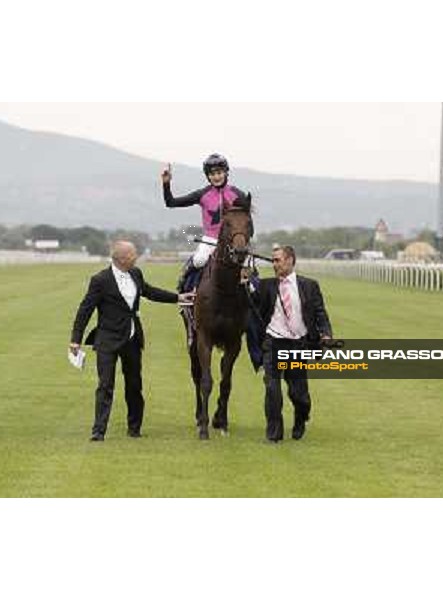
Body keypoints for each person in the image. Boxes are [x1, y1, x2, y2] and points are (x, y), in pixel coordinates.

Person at [69, 241, 195, 442]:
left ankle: (134, 428)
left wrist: (179, 297)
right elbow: (85, 309)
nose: (136, 257)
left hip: (132, 339)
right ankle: (98, 431)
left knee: (134, 385)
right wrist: (75, 340)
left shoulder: (136, 273)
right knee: (105, 385)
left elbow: (149, 292)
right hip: (107, 340)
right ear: (122, 259)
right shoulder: (100, 280)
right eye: (133, 254)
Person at [254, 245, 333, 443]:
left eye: (278, 260)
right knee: (272, 389)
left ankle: (301, 418)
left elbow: (320, 313)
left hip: (298, 346)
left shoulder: (309, 286)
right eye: (273, 261)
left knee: (299, 394)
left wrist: (326, 334)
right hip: (273, 344)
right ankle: (274, 434)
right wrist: (243, 279)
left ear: (290, 260)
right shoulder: (266, 286)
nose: (274, 264)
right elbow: (248, 301)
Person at [162, 154, 250, 294]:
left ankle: (255, 297)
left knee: (248, 265)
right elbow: (171, 203)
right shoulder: (202, 194)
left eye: (219, 172)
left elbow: (247, 221)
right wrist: (166, 183)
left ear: (226, 172)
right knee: (199, 260)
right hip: (211, 239)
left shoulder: (238, 195)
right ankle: (186, 289)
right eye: (212, 174)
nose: (216, 177)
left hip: (234, 241)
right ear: (208, 176)